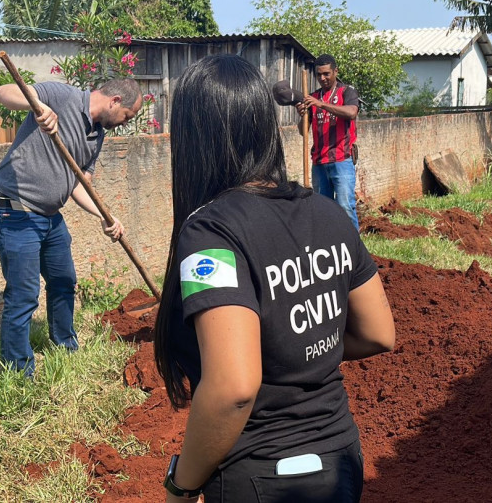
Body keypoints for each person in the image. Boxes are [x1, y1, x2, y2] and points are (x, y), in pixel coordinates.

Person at [154, 54, 395, 503]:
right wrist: (297, 349)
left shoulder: (209, 232)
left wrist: (180, 486)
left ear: (192, 138)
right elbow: (379, 334)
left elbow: (233, 389)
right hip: (341, 457)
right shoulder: (329, 215)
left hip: (261, 477)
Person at [0, 77, 141, 376]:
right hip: (14, 211)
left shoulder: (96, 136)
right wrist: (39, 107)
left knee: (64, 280)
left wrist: (105, 216)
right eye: (127, 117)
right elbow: (2, 93)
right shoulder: (62, 95)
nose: (125, 123)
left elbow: (79, 184)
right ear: (115, 101)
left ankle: (65, 345)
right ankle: (18, 372)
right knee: (24, 294)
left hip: (49, 216)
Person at [297, 54, 361, 231]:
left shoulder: (347, 91)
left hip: (342, 159)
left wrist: (321, 104)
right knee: (322, 210)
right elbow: (303, 132)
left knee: (345, 207)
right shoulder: (312, 97)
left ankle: (354, 249)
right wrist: (302, 114)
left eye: (326, 74)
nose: (322, 78)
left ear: (335, 72)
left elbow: (351, 113)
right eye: (319, 75)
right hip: (319, 163)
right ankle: (330, 247)